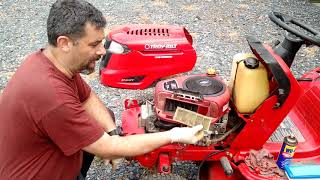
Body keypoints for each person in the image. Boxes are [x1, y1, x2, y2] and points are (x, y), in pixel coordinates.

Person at [0, 0, 204, 179]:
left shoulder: (49, 61)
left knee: (104, 116)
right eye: (95, 44)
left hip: (43, 153)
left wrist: (113, 133)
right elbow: (107, 148)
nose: (102, 51)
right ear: (65, 43)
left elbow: (87, 98)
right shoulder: (51, 95)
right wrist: (174, 135)